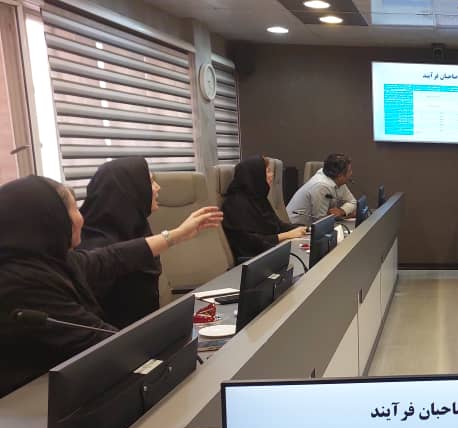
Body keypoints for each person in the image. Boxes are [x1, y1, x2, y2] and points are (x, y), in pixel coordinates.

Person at [0, 176, 221, 397]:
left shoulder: (48, 260)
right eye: (74, 209)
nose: (81, 217)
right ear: (51, 219)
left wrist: (177, 235)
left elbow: (112, 258)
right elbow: (97, 340)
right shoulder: (23, 282)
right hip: (25, 398)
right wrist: (168, 344)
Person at [78, 157, 223, 328]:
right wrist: (179, 233)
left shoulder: (136, 227)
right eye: (151, 181)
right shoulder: (95, 247)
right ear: (130, 190)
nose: (157, 187)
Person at [222, 156, 306, 259]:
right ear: (256, 175)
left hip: (269, 252)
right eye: (268, 171)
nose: (272, 175)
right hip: (252, 259)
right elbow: (249, 242)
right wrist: (286, 235)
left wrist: (305, 228)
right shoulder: (235, 204)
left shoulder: (258, 197)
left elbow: (278, 225)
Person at [286, 153, 357, 225]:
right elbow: (321, 221)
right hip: (296, 228)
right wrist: (347, 215)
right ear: (340, 175)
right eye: (349, 171)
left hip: (312, 227)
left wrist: (342, 211)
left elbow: (353, 202)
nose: (351, 173)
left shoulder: (337, 180)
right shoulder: (321, 186)